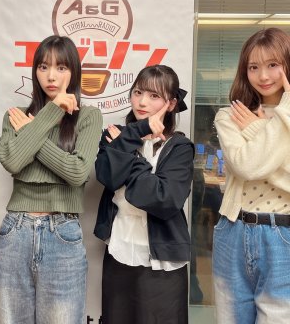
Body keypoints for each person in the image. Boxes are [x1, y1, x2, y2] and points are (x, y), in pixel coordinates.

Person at [0, 35, 102, 324]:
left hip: (62, 233)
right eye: (43, 67)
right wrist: (50, 114)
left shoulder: (88, 116)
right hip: (15, 232)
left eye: (61, 67)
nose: (51, 76)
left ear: (74, 71)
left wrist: (32, 134)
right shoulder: (15, 116)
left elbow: (77, 173)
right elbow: (13, 161)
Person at [94, 64, 194, 324]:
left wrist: (129, 157)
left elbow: (162, 199)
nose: (142, 102)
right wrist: (134, 135)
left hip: (162, 261)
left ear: (171, 104)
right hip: (119, 252)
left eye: (154, 96)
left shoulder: (180, 147)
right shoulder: (115, 135)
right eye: (138, 92)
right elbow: (107, 176)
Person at [213, 27, 290, 323]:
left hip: (283, 236)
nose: (263, 76)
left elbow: (257, 163)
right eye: (253, 67)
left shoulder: (250, 123)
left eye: (273, 64)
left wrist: (257, 129)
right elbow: (245, 166)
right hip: (234, 230)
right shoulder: (230, 116)